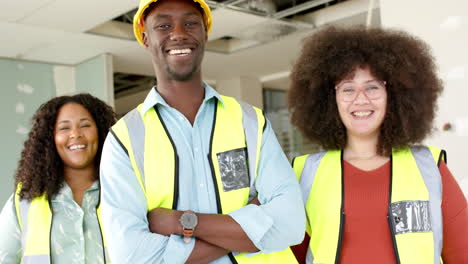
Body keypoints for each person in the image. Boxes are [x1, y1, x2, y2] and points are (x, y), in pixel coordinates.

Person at [99, 0, 305, 263]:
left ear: (205, 32)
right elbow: (132, 255)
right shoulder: (124, 139)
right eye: (163, 25)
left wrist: (182, 222)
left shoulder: (250, 121)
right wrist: (252, 227)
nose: (178, 33)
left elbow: (290, 223)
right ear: (145, 37)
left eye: (190, 23)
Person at [288, 26, 468, 264]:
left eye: (372, 87)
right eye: (348, 88)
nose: (360, 98)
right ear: (329, 100)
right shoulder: (304, 173)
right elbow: (289, 256)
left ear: (394, 95)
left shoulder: (430, 168)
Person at [0, 93, 116, 263]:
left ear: (100, 132)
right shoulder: (25, 199)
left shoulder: (122, 192)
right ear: (50, 138)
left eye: (85, 125)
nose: (75, 134)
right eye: (64, 128)